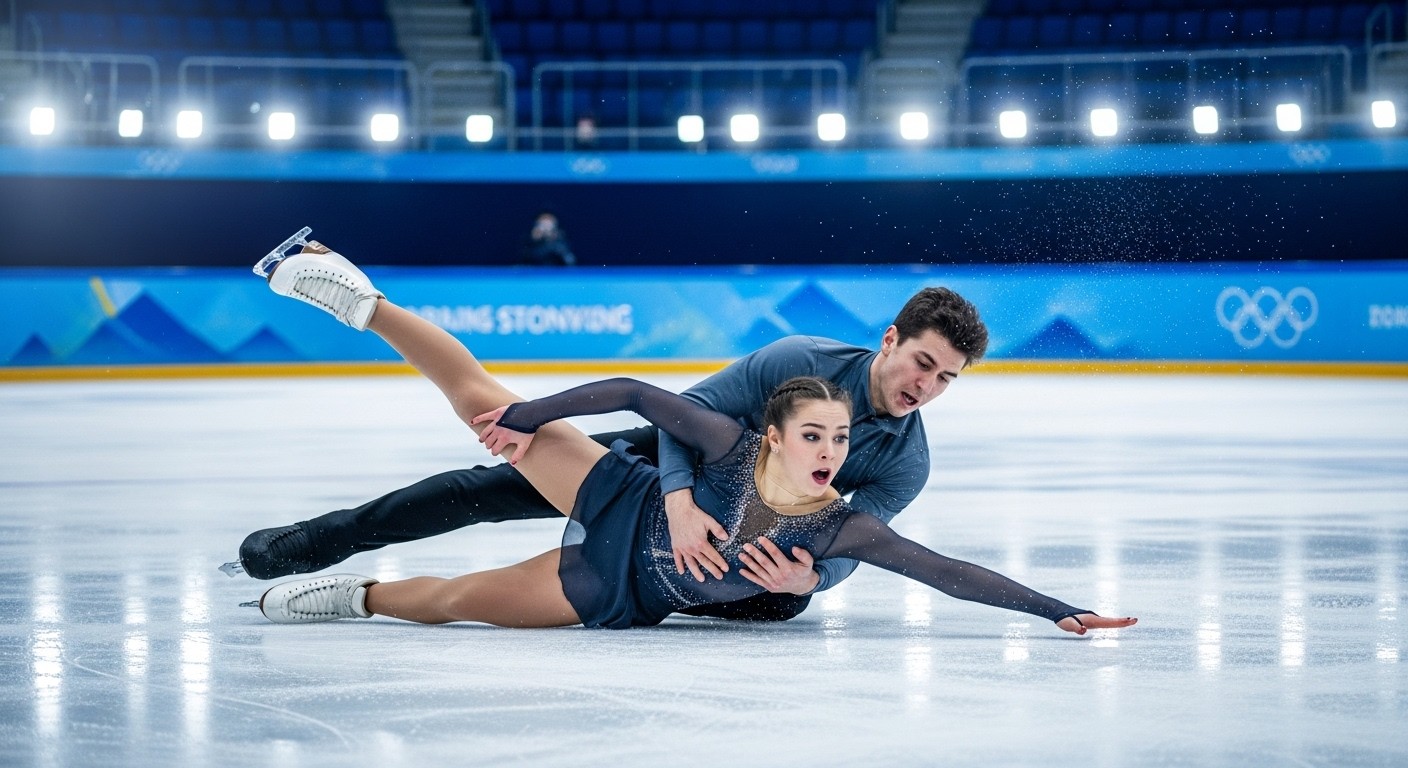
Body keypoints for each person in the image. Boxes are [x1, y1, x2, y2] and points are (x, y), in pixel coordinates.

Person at [248, 239, 1138, 636]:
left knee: (455, 601)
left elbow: (936, 568)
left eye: (948, 380)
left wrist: (1054, 608)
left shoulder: (883, 481)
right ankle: (363, 304)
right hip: (647, 477)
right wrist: (543, 420)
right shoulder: (783, 376)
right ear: (891, 340)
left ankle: (356, 599)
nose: (928, 388)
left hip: (636, 579)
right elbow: (654, 401)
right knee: (475, 463)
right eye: (925, 365)